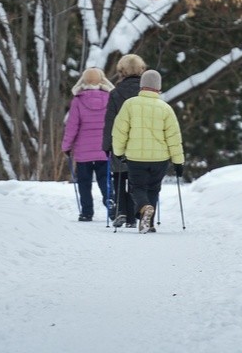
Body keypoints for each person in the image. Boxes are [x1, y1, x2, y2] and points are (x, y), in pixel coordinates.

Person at [112, 69, 185, 233]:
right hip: (160, 159)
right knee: (153, 188)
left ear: (141, 86)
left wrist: (118, 151)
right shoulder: (165, 109)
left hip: (135, 157)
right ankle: (149, 223)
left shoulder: (130, 105)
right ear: (158, 88)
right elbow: (173, 137)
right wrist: (178, 162)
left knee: (137, 188)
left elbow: (120, 131)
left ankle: (145, 208)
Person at [61, 67, 115, 222]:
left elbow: (72, 126)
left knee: (84, 183)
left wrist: (66, 146)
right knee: (105, 180)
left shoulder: (78, 100)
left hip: (83, 153)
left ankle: (86, 212)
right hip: (104, 150)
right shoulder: (109, 98)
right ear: (102, 80)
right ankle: (111, 203)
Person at [102, 53, 147, 228]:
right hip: (141, 142)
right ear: (141, 70)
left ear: (121, 71)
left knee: (119, 177)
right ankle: (135, 213)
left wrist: (106, 145)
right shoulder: (147, 93)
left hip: (120, 142)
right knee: (136, 179)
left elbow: (110, 121)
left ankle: (121, 211)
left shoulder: (115, 94)